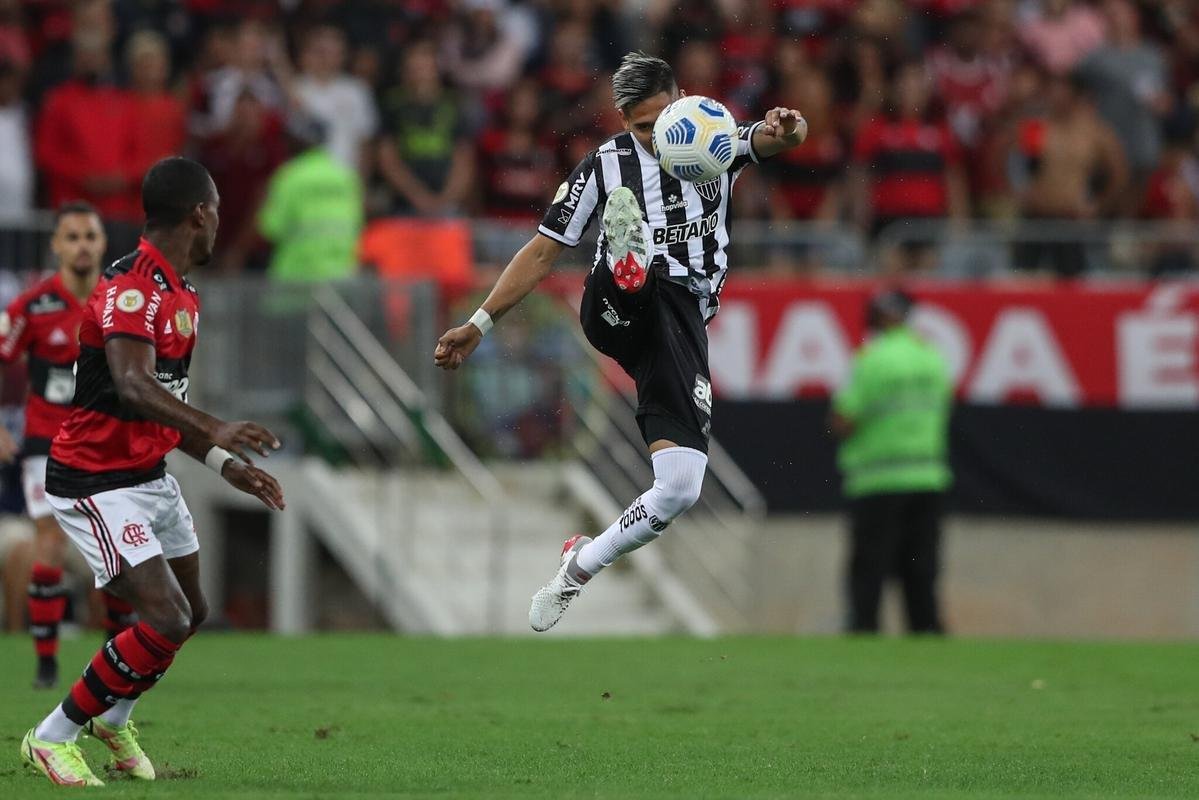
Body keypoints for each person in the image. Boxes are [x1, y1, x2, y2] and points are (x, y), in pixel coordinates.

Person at [434, 52, 807, 632]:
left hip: (679, 326)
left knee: (681, 488)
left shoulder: (713, 140)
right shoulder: (603, 166)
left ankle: (578, 565)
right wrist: (480, 323)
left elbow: (780, 138)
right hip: (614, 308)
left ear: (683, 103)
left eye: (664, 121)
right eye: (642, 128)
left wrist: (790, 127)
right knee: (632, 279)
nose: (659, 138)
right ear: (621, 121)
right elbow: (542, 250)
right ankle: (627, 257)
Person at [20, 157, 285, 787]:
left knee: (190, 612)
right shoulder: (130, 288)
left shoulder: (182, 294)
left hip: (147, 476)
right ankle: (51, 737)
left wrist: (223, 463)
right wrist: (216, 425)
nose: (220, 221)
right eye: (216, 208)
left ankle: (113, 718)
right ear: (199, 213)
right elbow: (135, 386)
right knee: (163, 616)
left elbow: (165, 409)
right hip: (95, 480)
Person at [0, 202, 142, 689]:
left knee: (120, 553)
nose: (82, 245)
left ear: (103, 245)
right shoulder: (32, 306)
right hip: (47, 443)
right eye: (72, 237)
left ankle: (114, 654)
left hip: (106, 444)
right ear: (56, 245)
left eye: (90, 236)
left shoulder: (118, 301)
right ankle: (45, 662)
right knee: (50, 543)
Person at [830, 289, 953, 635]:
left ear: (882, 317)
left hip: (876, 480)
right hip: (928, 477)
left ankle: (864, 629)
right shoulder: (931, 357)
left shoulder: (873, 359)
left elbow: (844, 419)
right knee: (921, 564)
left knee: (870, 565)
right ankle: (926, 630)